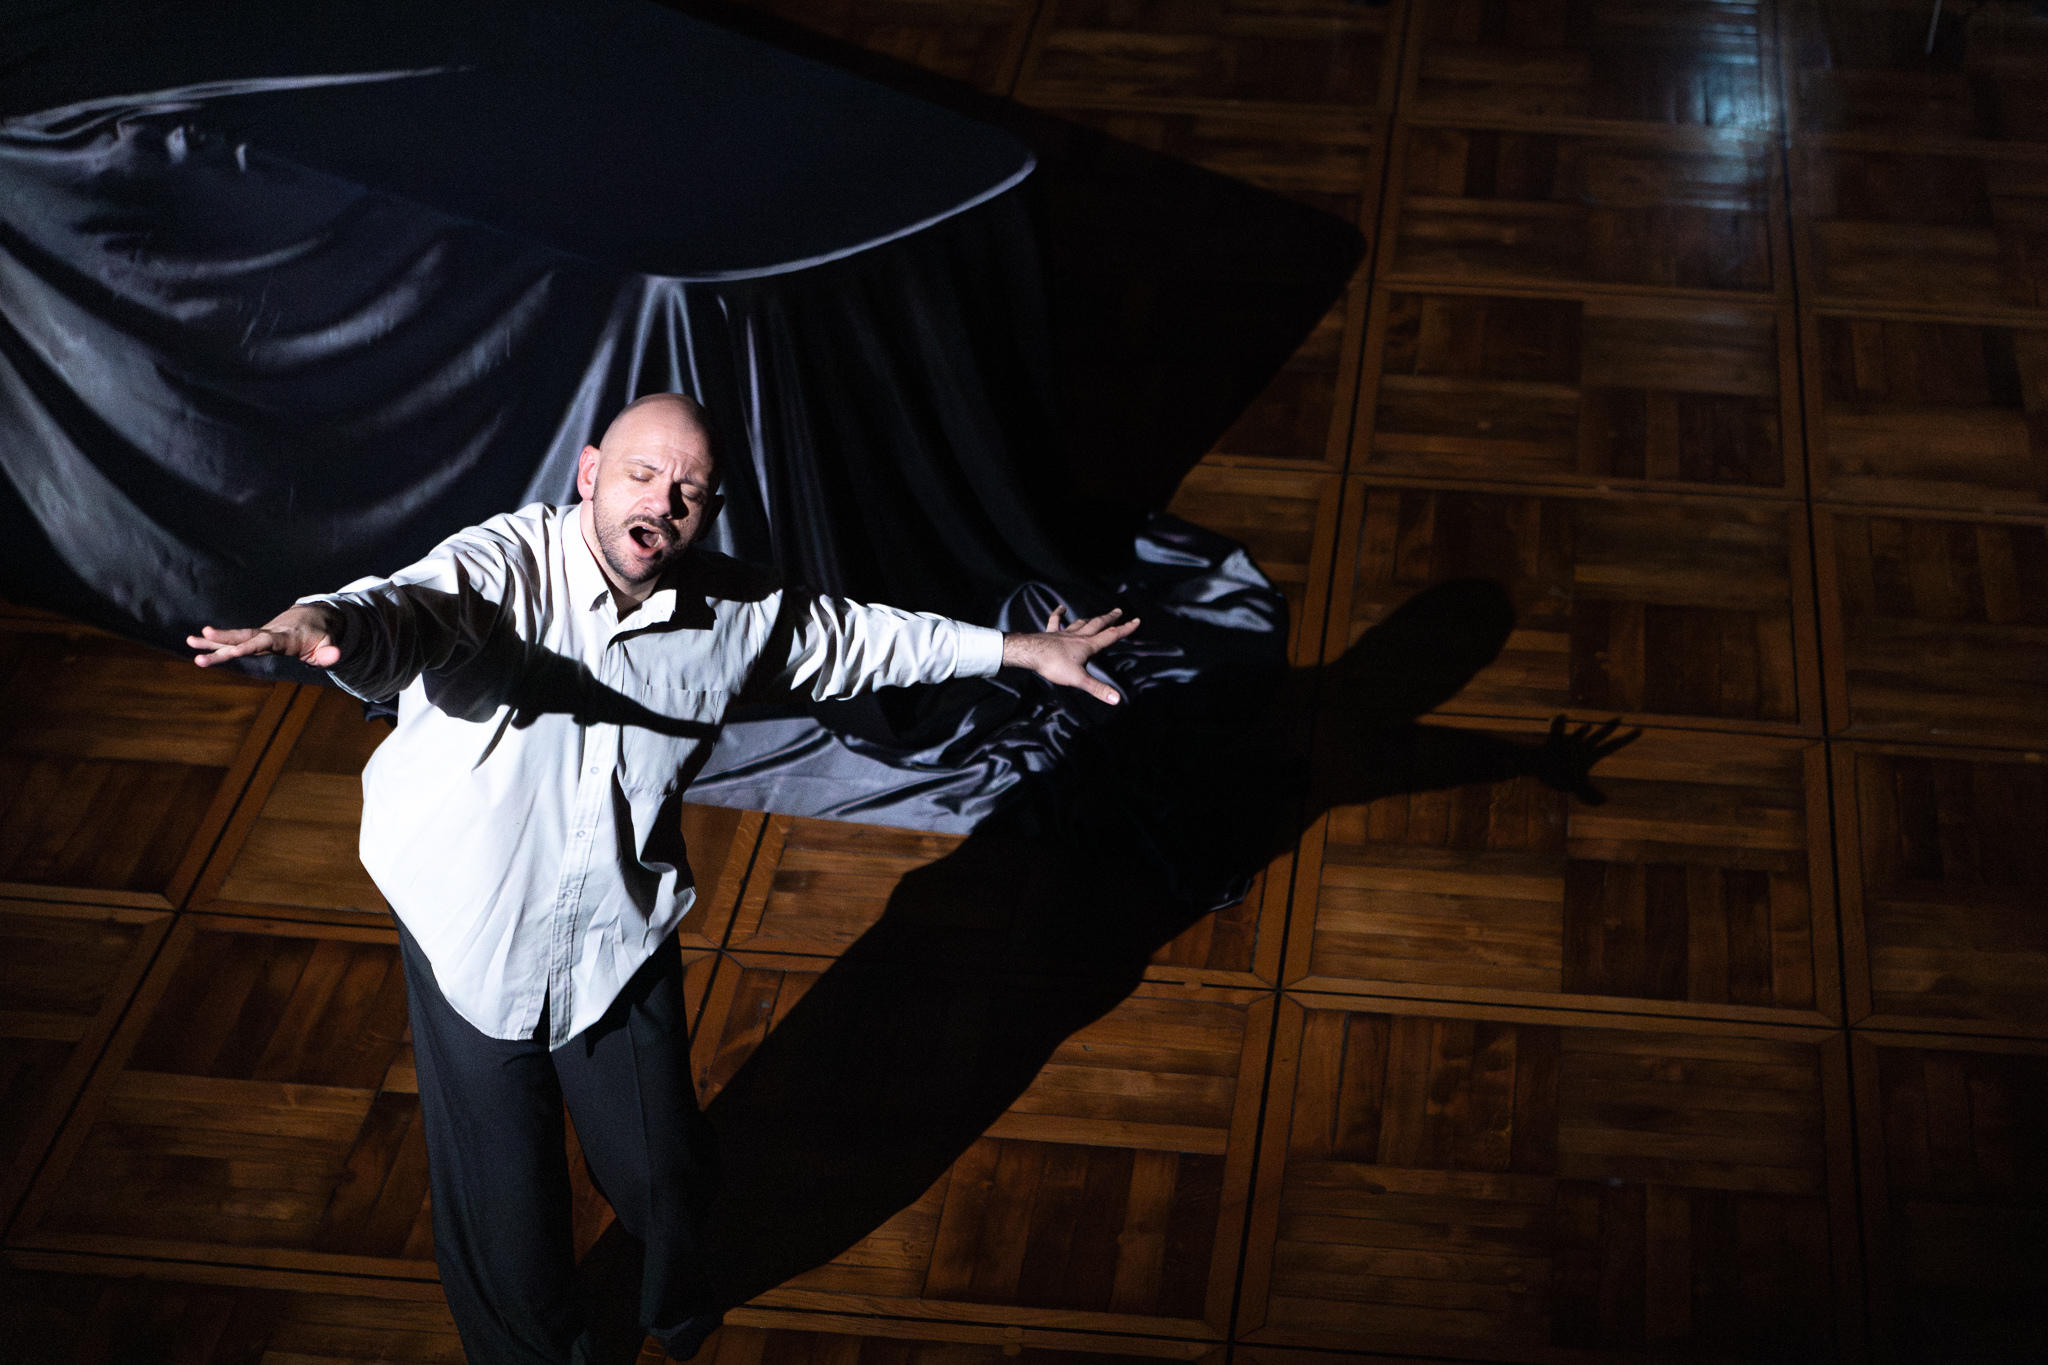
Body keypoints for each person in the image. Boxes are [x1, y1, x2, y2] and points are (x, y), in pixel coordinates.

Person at [187, 392, 1139, 1365]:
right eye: (642, 474)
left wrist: (1022, 649)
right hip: (469, 928)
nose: (661, 503)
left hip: (615, 928)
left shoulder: (733, 611)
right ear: (590, 474)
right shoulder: (504, 567)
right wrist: (320, 626)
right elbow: (405, 608)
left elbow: (856, 640)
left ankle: (678, 1301)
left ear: (711, 509)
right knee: (506, 1216)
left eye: (688, 490)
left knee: (665, 1173)